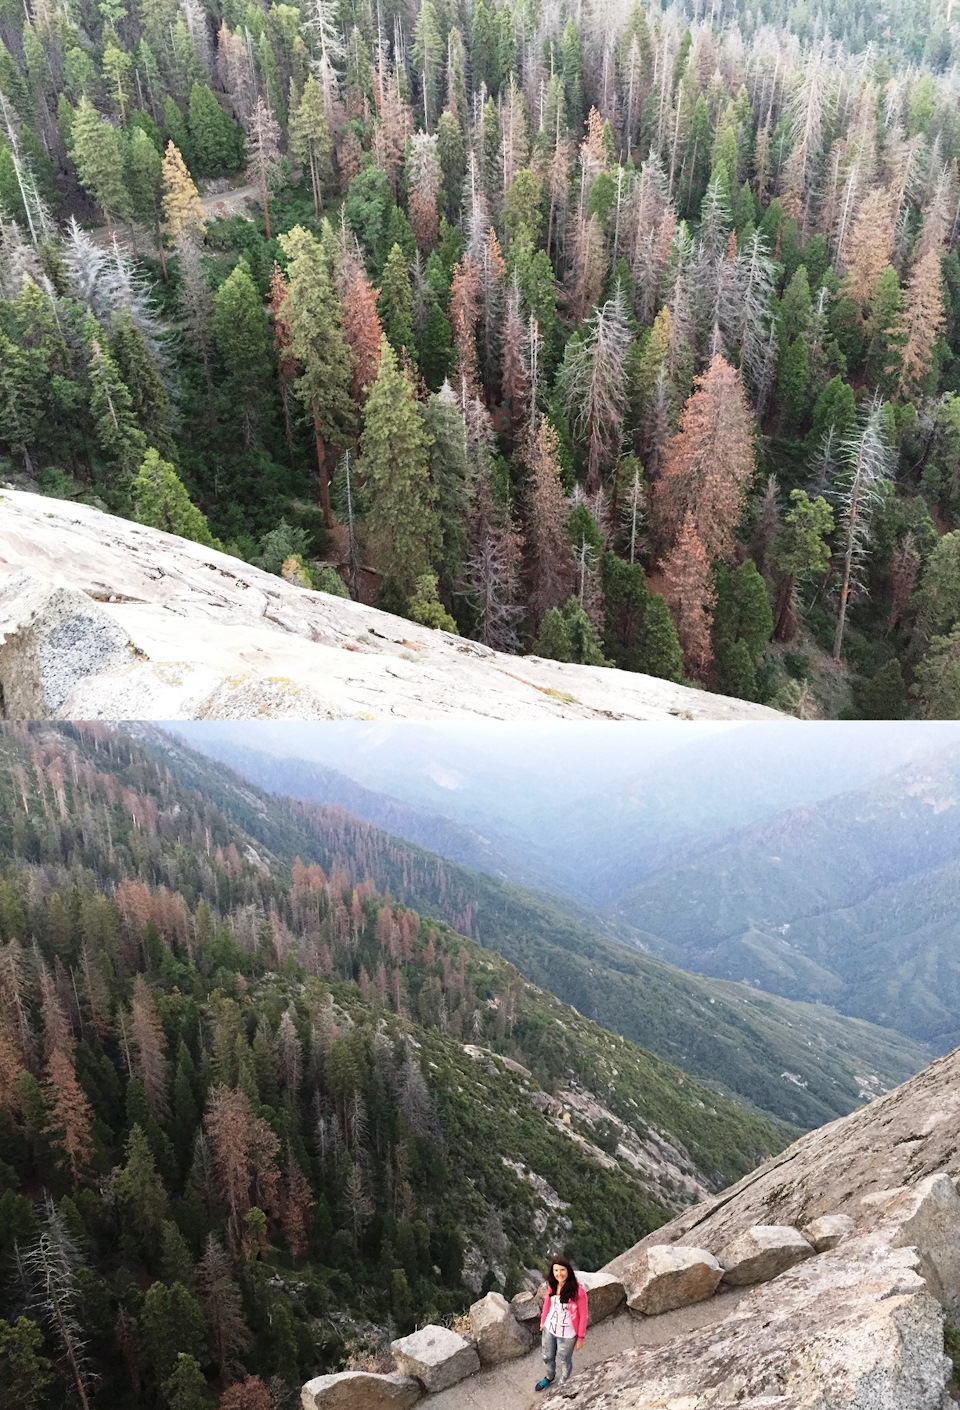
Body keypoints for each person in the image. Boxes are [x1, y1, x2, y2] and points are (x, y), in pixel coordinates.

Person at [535, 1256, 588, 1392]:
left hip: (567, 1333)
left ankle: (563, 1383)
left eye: (562, 1270)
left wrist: (580, 1337)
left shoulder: (578, 1291)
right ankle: (549, 1376)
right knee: (547, 1356)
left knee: (564, 1359)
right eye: (556, 1270)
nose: (559, 1274)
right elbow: (548, 1302)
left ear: (568, 1270)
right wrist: (543, 1320)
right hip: (550, 1328)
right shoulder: (553, 1284)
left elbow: (583, 1315)